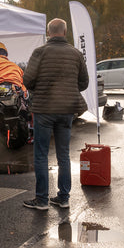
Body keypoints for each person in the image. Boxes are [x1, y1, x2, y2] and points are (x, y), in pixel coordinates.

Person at [22, 18, 88, 210]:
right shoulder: (76, 53)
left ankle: (42, 200)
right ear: (65, 32)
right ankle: (64, 197)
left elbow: (28, 79)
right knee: (63, 154)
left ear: (48, 32)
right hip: (67, 110)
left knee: (41, 154)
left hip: (44, 109)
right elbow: (84, 82)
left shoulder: (40, 52)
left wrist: (40, 88)